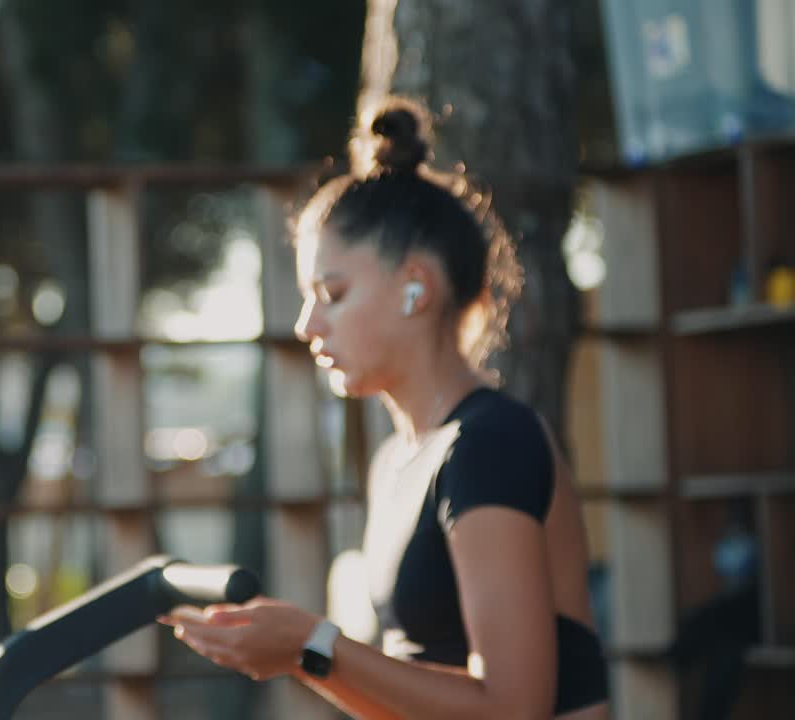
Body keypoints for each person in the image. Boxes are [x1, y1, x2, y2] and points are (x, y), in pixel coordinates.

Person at [162, 97, 610, 719]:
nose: (307, 324)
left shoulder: (490, 443)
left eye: (332, 293)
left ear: (416, 286)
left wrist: (311, 645)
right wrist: (300, 655)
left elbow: (513, 708)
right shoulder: (396, 461)